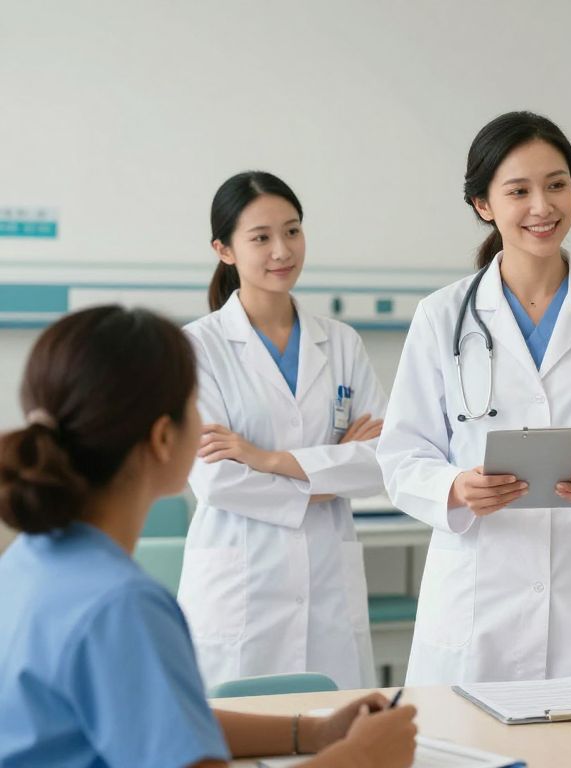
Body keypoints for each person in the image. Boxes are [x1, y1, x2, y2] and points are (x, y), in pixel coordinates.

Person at [0, 305, 417, 768]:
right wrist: (360, 757)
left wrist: (315, 731)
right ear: (164, 439)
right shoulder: (122, 607)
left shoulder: (29, 561)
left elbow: (166, 721)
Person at [376, 111, 571, 685]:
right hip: (479, 597)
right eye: (518, 190)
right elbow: (401, 455)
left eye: (557, 184)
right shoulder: (441, 316)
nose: (542, 207)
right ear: (483, 205)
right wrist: (453, 487)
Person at [177, 171, 386, 688]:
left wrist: (265, 459)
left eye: (292, 231)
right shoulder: (197, 349)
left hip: (327, 582)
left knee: (334, 740)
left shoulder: (340, 343)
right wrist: (329, 470)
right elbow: (216, 481)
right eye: (261, 237)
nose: (282, 250)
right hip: (241, 586)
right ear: (223, 249)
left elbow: (383, 460)